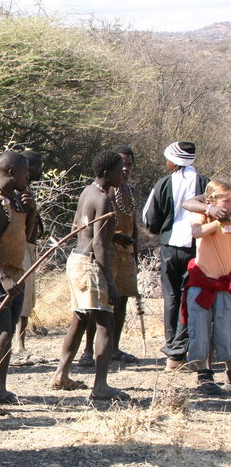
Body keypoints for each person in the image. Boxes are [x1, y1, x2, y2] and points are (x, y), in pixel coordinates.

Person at [50, 151, 130, 402]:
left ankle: (61, 375)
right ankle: (101, 386)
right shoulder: (104, 199)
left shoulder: (88, 192)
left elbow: (80, 228)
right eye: (119, 170)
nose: (122, 174)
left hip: (76, 259)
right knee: (106, 323)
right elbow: (99, 247)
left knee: (80, 319)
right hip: (91, 264)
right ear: (107, 173)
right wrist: (111, 283)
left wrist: (114, 236)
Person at [0, 151, 37, 414]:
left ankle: (0, 389)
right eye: (25, 173)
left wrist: (31, 210)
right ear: (12, 173)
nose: (29, 177)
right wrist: (2, 277)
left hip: (17, 274)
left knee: (9, 331)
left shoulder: (17, 199)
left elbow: (30, 236)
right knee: (0, 332)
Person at [142, 141, 210, 371]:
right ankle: (188, 348)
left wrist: (164, 230)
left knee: (171, 297)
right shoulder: (205, 184)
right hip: (196, 248)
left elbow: (149, 219)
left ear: (174, 161)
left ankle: (173, 347)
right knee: (191, 297)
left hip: (170, 247)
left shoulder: (163, 184)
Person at [79, 145, 141, 366]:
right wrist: (115, 237)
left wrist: (136, 250)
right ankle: (88, 351)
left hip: (126, 252)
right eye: (121, 164)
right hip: (106, 251)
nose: (125, 169)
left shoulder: (130, 191)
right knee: (98, 304)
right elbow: (91, 229)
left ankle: (114, 348)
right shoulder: (102, 191)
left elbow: (133, 224)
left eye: (129, 164)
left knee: (121, 300)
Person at [181, 180, 231, 395]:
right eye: (226, 201)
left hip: (226, 284)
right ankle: (204, 375)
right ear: (212, 201)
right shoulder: (203, 215)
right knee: (199, 331)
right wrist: (218, 220)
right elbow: (196, 232)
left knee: (226, 331)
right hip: (202, 282)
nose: (229, 205)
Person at [11, 150, 46, 365]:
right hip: (20, 248)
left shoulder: (26, 190)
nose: (40, 171)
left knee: (27, 298)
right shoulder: (17, 193)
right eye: (36, 167)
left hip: (28, 247)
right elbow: (25, 228)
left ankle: (20, 345)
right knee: (21, 297)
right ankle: (18, 346)